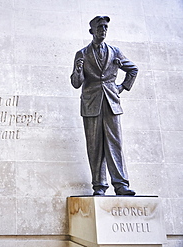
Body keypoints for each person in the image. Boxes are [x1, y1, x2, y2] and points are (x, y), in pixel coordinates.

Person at [70, 16, 138, 196]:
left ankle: (121, 184)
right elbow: (76, 83)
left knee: (115, 144)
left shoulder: (115, 52)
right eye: (100, 27)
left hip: (111, 103)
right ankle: (99, 186)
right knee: (95, 146)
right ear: (92, 30)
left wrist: (122, 87)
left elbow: (133, 69)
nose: (103, 30)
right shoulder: (82, 54)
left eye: (106, 27)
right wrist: (78, 70)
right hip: (91, 105)